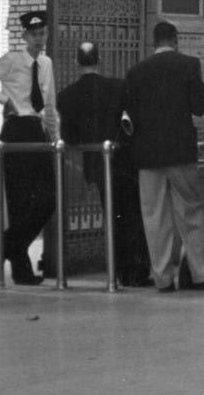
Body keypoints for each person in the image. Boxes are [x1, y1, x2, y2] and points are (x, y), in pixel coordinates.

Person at [123, 21, 204, 293]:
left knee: (154, 216)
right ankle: (201, 275)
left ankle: (163, 279)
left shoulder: (136, 72)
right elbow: (200, 107)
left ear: (155, 42)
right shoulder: (189, 65)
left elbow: (132, 113)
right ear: (175, 40)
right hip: (180, 152)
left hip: (148, 155)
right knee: (190, 211)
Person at [56, 41, 151, 287]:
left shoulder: (66, 96)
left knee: (113, 216)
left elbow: (69, 137)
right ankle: (138, 270)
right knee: (132, 214)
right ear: (100, 60)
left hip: (97, 165)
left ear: (77, 62)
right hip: (124, 162)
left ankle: (118, 271)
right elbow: (134, 120)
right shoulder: (119, 87)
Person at [0, 10, 58, 286]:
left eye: (43, 34)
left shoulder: (46, 63)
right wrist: (3, 100)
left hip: (37, 132)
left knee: (47, 199)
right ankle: (21, 270)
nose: (40, 39)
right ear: (24, 36)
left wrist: (54, 140)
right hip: (15, 130)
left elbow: (49, 105)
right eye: (35, 35)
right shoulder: (12, 61)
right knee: (20, 203)